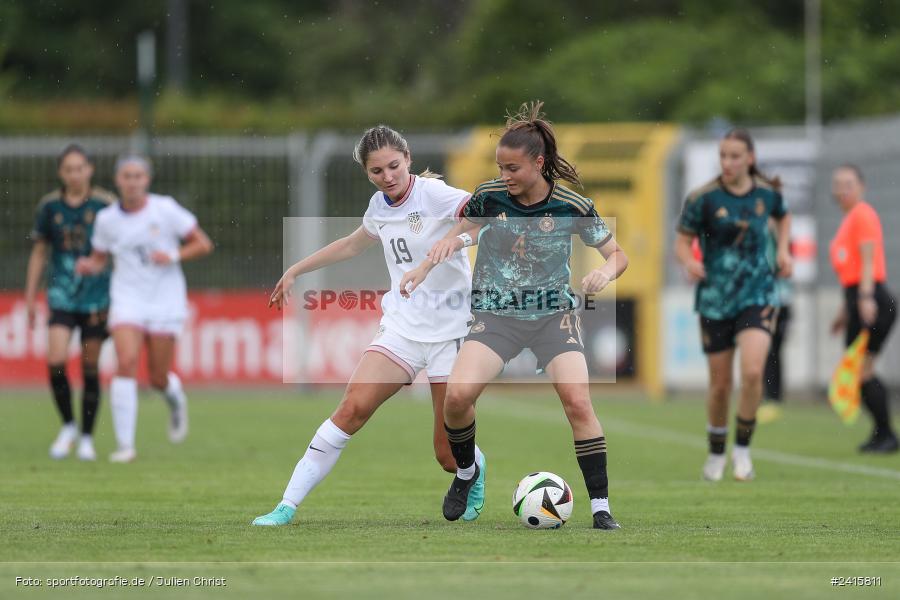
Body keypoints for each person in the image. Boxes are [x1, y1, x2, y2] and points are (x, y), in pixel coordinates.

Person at [403, 101, 628, 530]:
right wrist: (432, 260)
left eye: (512, 168)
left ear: (538, 163)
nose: (504, 176)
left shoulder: (571, 205)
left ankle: (601, 508)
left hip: (552, 318)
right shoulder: (489, 196)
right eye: (500, 168)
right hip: (496, 317)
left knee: (578, 402)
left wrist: (602, 271)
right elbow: (463, 230)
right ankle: (466, 473)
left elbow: (618, 255)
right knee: (457, 398)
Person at [252, 125, 486, 526]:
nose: (388, 176)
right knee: (350, 409)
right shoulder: (379, 206)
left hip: (452, 332)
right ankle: (285, 507)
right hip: (402, 328)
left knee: (448, 456)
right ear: (367, 173)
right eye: (377, 171)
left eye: (394, 166)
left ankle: (471, 473)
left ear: (408, 159)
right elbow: (351, 244)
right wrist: (296, 269)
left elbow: (485, 217)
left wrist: (455, 241)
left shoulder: (435, 194)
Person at [75, 156, 213, 463]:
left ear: (147, 180)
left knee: (157, 378)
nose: (132, 181)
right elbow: (99, 258)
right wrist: (89, 266)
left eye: (138, 176)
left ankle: (175, 401)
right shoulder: (107, 219)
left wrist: (174, 254)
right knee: (125, 361)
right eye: (127, 176)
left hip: (165, 300)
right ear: (117, 180)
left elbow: (203, 243)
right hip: (127, 299)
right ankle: (126, 446)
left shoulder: (165, 209)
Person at [674, 128, 792, 482]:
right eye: (723, 155)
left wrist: (783, 250)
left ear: (750, 159)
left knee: (753, 372)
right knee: (721, 384)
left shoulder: (767, 195)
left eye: (735, 156)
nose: (727, 162)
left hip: (757, 294)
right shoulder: (703, 198)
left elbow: (783, 217)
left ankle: (742, 451)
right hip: (715, 300)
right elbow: (682, 242)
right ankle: (715, 452)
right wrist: (689, 262)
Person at [25, 144, 116, 461]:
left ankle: (88, 437)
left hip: (97, 298)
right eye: (69, 169)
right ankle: (68, 426)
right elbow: (39, 252)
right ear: (61, 173)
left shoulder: (106, 204)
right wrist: (30, 297)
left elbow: (121, 249)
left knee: (90, 366)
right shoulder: (49, 207)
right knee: (56, 359)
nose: (75, 174)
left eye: (80, 168)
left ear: (89, 169)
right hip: (61, 295)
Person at [829, 164, 897, 453]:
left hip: (872, 299)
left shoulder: (863, 214)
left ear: (862, 187)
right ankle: (882, 433)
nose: (842, 190)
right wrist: (845, 311)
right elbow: (850, 272)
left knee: (862, 370)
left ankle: (887, 434)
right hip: (857, 299)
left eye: (848, 184)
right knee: (859, 371)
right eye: (838, 185)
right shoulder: (848, 220)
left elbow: (868, 260)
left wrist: (866, 297)